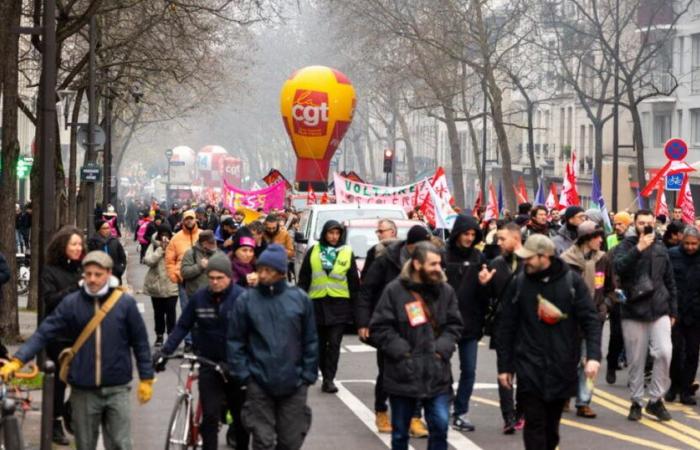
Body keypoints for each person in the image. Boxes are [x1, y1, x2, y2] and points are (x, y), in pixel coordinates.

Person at [2, 252, 154, 450]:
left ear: (108, 273)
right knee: (85, 444)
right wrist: (18, 360)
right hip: (84, 389)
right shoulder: (72, 303)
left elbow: (140, 342)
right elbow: (45, 332)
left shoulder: (125, 304)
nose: (92, 279)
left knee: (120, 444)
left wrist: (146, 378)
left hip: (117, 387)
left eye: (97, 274)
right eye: (88, 274)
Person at [498, 235, 602, 450]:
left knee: (551, 429)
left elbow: (590, 320)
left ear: (545, 256)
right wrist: (505, 367)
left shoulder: (571, 282)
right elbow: (506, 327)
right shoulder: (519, 283)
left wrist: (593, 356)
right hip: (529, 365)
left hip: (561, 365)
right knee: (534, 425)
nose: (526, 262)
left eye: (530, 258)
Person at [370, 242, 463, 450]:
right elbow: (380, 327)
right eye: (433, 264)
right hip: (403, 375)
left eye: (440, 263)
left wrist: (442, 349)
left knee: (439, 426)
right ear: (417, 264)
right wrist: (402, 351)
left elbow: (455, 325)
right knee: (400, 433)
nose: (438, 268)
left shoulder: (445, 291)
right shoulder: (394, 291)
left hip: (437, 375)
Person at [227, 244, 318, 450]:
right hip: (258, 383)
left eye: (268, 270)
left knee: (290, 441)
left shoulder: (300, 300)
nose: (262, 274)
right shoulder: (247, 300)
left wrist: (307, 376)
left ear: (281, 273)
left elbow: (310, 340)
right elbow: (235, 341)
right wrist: (245, 376)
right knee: (263, 441)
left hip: (294, 383)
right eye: (260, 269)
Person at [153, 253, 249, 450]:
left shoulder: (242, 298)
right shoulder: (199, 298)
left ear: (229, 277)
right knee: (210, 417)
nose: (214, 282)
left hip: (235, 366)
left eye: (219, 278)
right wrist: (165, 352)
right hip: (208, 363)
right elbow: (182, 326)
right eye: (211, 278)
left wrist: (241, 362)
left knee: (240, 420)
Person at [356, 225, 432, 436]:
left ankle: (415, 419)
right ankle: (381, 411)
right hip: (388, 324)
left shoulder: (427, 262)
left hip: (416, 325)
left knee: (417, 370)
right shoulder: (386, 260)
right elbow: (366, 292)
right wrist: (363, 322)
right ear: (410, 245)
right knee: (388, 371)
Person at [613, 209, 677, 421]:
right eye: (641, 223)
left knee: (665, 353)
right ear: (635, 223)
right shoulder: (626, 245)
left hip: (659, 309)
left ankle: (656, 399)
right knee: (636, 359)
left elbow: (670, 280)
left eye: (649, 223)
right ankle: (636, 401)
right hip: (633, 309)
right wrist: (639, 248)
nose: (646, 226)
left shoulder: (661, 247)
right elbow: (619, 268)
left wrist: (673, 309)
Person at [560, 221, 615, 418]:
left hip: (594, 319)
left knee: (591, 361)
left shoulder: (603, 259)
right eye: (597, 237)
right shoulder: (566, 261)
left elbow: (611, 287)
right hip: (569, 319)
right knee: (569, 360)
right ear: (586, 239)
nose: (601, 240)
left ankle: (584, 401)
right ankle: (565, 394)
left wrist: (605, 305)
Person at [297, 220, 359, 393]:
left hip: (339, 305)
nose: (334, 236)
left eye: (337, 233)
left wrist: (357, 310)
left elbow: (354, 283)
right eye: (330, 233)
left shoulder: (347, 252)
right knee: (319, 345)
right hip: (316, 304)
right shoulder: (314, 251)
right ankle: (324, 373)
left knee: (334, 344)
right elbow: (304, 280)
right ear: (324, 233)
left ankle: (329, 379)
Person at [444, 214, 489, 432]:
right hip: (446, 323)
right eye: (466, 234)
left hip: (471, 322)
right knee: (443, 368)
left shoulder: (478, 257)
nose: (470, 238)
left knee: (469, 370)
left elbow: (485, 293)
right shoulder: (444, 255)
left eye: (473, 234)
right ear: (457, 233)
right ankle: (447, 402)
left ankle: (460, 411)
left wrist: (484, 285)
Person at [41, 226, 85, 444]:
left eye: (80, 244)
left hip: (81, 334)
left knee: (82, 377)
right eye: (73, 244)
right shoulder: (50, 271)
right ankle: (55, 421)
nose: (78, 248)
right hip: (58, 336)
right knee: (59, 380)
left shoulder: (83, 270)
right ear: (63, 247)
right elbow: (50, 301)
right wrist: (75, 288)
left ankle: (69, 410)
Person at [483, 223, 523, 434]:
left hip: (527, 329)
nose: (498, 243)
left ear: (516, 239)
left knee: (526, 374)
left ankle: (521, 411)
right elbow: (486, 297)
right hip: (503, 328)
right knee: (505, 373)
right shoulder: (495, 264)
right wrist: (484, 284)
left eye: (502, 239)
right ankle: (508, 416)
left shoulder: (532, 262)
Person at [667, 226, 700, 405]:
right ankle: (675, 385)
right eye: (687, 243)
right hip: (676, 311)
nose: (690, 247)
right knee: (676, 351)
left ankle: (687, 389)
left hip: (695, 314)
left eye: (694, 244)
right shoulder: (672, 254)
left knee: (692, 353)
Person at [143, 223, 178, 347]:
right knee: (158, 313)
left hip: (171, 283)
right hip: (156, 284)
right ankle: (159, 335)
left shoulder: (175, 244)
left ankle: (171, 336)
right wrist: (160, 250)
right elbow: (148, 261)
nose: (164, 237)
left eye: (167, 235)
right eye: (162, 235)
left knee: (171, 312)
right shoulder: (153, 246)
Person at [165, 210, 200, 322]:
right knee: (186, 310)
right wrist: (174, 276)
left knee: (201, 310)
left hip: (201, 279)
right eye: (187, 219)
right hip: (183, 280)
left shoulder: (203, 235)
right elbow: (169, 259)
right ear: (183, 221)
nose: (189, 221)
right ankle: (189, 339)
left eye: (191, 218)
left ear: (195, 219)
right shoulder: (176, 238)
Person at [181, 230, 224, 299]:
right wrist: (199, 266)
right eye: (212, 243)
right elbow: (184, 273)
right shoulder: (191, 253)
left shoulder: (218, 252)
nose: (215, 244)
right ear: (204, 244)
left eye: (215, 241)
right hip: (196, 296)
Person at [88, 219, 127, 284]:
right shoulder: (92, 242)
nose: (107, 230)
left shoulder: (114, 241)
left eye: (108, 228)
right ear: (99, 230)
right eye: (104, 228)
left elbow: (122, 257)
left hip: (115, 276)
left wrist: (120, 269)